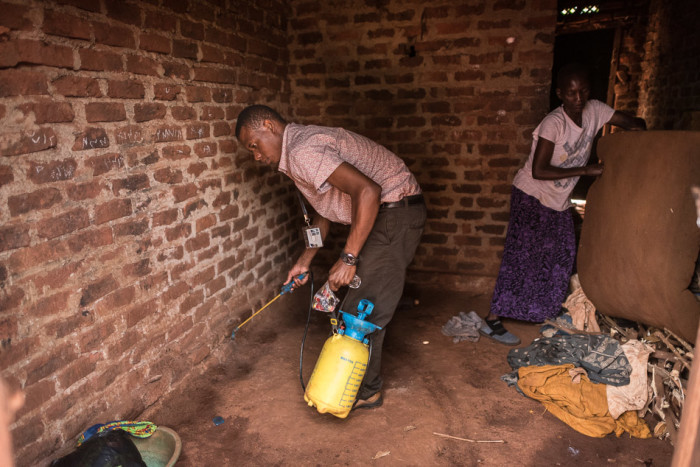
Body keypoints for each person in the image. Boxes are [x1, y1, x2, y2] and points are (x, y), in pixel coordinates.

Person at [235, 105, 426, 410]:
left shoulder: (301, 151)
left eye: (254, 145)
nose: (256, 156)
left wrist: (348, 258)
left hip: (394, 212)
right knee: (358, 306)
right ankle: (364, 386)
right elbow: (322, 215)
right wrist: (304, 261)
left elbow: (367, 192)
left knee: (359, 312)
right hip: (387, 214)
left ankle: (367, 390)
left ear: (268, 126)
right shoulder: (296, 154)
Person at [480, 63, 646, 345]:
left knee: (562, 255)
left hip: (557, 199)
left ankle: (545, 313)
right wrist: (586, 169)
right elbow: (539, 170)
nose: (578, 98)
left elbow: (635, 123)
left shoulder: (595, 110)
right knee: (521, 256)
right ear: (560, 94)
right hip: (531, 195)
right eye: (571, 93)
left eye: (583, 91)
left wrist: (637, 136)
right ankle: (492, 320)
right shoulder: (553, 124)